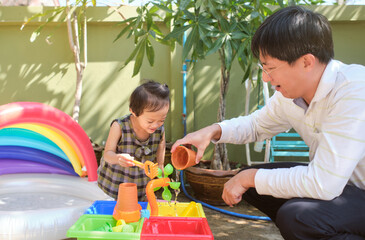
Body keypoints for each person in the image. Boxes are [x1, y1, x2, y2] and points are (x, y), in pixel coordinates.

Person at [171, 6, 365, 239]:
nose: (265, 77)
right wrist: (214, 131)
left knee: (296, 216)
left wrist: (249, 178)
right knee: (253, 184)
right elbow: (256, 125)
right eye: (263, 67)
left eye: (270, 68)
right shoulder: (292, 95)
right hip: (342, 188)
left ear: (306, 62)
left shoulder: (353, 91)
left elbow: (324, 184)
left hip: (351, 190)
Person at [98, 80, 169, 201]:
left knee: (138, 212)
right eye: (150, 121)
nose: (156, 125)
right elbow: (107, 154)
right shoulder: (119, 126)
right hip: (115, 185)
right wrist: (118, 158)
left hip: (141, 185)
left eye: (162, 120)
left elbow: (161, 145)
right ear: (133, 111)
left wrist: (161, 165)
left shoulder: (158, 129)